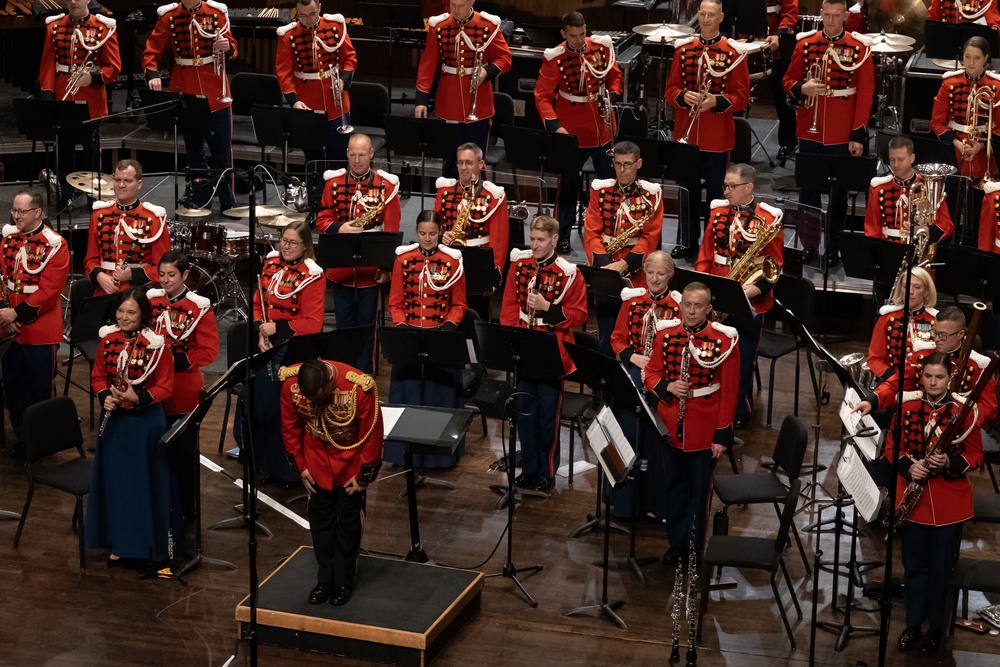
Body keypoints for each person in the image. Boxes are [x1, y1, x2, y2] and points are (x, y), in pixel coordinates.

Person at [886, 352, 982, 655]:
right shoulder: (909, 407)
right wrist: (908, 467)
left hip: (949, 504)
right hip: (913, 503)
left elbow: (975, 455)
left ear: (949, 379)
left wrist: (950, 461)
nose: (933, 382)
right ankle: (913, 625)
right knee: (914, 568)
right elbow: (892, 446)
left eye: (939, 377)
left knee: (941, 571)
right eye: (928, 377)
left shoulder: (964, 412)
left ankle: (936, 630)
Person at [643, 282, 739, 562]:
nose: (691, 311)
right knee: (673, 488)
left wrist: (722, 435)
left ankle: (694, 548)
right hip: (670, 423)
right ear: (680, 304)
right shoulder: (667, 333)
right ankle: (677, 543)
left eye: (698, 306)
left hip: (705, 426)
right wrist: (667, 387)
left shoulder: (724, 340)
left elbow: (730, 390)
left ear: (709, 309)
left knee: (699, 493)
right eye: (687, 304)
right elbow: (650, 373)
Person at [279, 358, 383, 607]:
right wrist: (300, 467)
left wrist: (363, 477)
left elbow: (371, 433)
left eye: (320, 397)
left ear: (328, 382)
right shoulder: (290, 384)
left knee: (348, 527)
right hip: (315, 464)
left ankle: (344, 581)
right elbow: (290, 426)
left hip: (349, 466)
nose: (315, 403)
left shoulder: (358, 387)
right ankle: (325, 579)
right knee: (321, 527)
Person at [87, 287, 175, 568]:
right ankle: (118, 540)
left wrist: (137, 399)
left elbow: (165, 385)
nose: (124, 317)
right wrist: (106, 397)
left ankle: (142, 543)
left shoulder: (158, 344)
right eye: (121, 311)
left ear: (143, 315)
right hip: (114, 420)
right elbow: (98, 375)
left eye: (131, 312)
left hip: (144, 422)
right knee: (116, 484)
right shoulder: (108, 339)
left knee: (139, 485)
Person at [500, 216, 588, 492]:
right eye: (532, 238)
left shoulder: (569, 273)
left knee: (548, 418)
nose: (534, 245)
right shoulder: (519, 265)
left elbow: (579, 314)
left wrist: (549, 308)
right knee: (525, 414)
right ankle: (528, 470)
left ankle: (546, 474)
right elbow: (509, 307)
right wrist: (514, 340)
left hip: (552, 351)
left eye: (540, 240)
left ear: (553, 240)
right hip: (525, 347)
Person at [783, 0, 874, 265]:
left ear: (845, 16)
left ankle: (834, 246)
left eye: (837, 16)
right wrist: (802, 88)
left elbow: (865, 94)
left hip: (842, 132)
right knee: (808, 192)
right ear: (821, 13)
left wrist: (857, 135)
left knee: (838, 195)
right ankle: (809, 245)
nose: (831, 21)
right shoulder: (806, 43)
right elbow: (787, 80)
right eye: (827, 15)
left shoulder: (859, 48)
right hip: (810, 129)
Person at [694, 163, 783, 427]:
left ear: (749, 188)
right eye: (725, 185)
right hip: (718, 292)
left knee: (742, 360)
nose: (727, 191)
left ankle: (738, 412)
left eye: (732, 187)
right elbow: (706, 253)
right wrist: (703, 288)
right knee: (711, 354)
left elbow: (775, 265)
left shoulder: (768, 219)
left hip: (748, 299)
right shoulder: (718, 212)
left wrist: (755, 290)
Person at [241, 220, 326, 483]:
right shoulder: (270, 264)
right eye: (284, 241)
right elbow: (258, 303)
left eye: (293, 243)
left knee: (280, 410)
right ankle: (255, 459)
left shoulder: (313, 275)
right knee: (255, 403)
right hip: (264, 343)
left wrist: (275, 329)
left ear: (305, 246)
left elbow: (313, 324)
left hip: (291, 349)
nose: (286, 247)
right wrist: (259, 330)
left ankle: (283, 469)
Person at [666, 0, 750, 258]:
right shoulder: (684, 49)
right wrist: (683, 96)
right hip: (686, 133)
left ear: (721, 17)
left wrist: (717, 101)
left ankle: (713, 243)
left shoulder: (733, 52)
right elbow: (670, 91)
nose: (705, 19)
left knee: (717, 194)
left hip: (717, 136)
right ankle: (687, 241)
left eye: (710, 15)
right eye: (702, 14)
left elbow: (742, 96)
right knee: (686, 191)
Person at [533, 11, 622, 253]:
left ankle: (609, 233)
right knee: (568, 185)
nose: (580, 40)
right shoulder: (555, 57)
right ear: (564, 34)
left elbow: (615, 77)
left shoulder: (601, 48)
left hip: (602, 127)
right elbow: (542, 96)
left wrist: (610, 96)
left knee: (609, 185)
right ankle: (561, 234)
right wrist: (555, 126)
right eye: (574, 36)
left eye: (583, 34)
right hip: (570, 128)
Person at [386, 210, 467, 467]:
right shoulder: (403, 260)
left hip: (440, 335)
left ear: (441, 232)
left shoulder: (452, 261)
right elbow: (396, 301)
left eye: (433, 233)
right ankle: (403, 455)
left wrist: (449, 326)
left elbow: (459, 304)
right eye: (422, 233)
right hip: (409, 334)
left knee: (438, 399)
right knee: (407, 396)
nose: (427, 238)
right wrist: (401, 325)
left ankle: (436, 460)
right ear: (416, 232)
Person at [315, 134, 401, 373]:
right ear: (346, 153)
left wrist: (386, 267)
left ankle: (364, 376)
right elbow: (322, 219)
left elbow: (392, 229)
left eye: (361, 154)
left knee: (366, 328)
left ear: (371, 154)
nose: (356, 159)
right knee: (343, 327)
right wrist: (339, 227)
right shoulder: (333, 184)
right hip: (340, 266)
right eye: (352, 154)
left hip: (370, 268)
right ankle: (342, 374)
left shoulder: (387, 187)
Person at [143, 0, 238, 212]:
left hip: (215, 89)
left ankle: (228, 202)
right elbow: (151, 51)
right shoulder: (169, 16)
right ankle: (201, 197)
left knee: (222, 151)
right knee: (194, 151)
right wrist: (152, 73)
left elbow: (233, 47)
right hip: (184, 88)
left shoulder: (216, 12)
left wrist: (228, 47)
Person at [147, 251, 219, 521]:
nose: (165, 281)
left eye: (172, 275)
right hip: (153, 387)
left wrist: (175, 361)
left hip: (183, 389)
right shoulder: (150, 300)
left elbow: (209, 352)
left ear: (185, 275)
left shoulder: (198, 306)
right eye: (162, 274)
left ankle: (186, 510)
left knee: (182, 455)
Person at [609, 250, 680, 519]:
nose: (654, 278)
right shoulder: (633, 300)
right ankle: (625, 504)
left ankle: (654, 505)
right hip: (633, 373)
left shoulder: (678, 306)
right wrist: (632, 357)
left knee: (654, 445)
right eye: (650, 273)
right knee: (626, 435)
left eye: (660, 274)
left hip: (661, 381)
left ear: (670, 276)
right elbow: (617, 338)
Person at [0, 190, 71, 452]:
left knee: (40, 391)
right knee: (14, 389)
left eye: (21, 211)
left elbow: (49, 291)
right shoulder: (8, 240)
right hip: (8, 329)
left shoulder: (55, 245)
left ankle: (44, 443)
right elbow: (2, 280)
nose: (16, 216)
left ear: (37, 212)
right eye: (14, 211)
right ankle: (22, 439)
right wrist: (4, 314)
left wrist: (16, 315)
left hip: (40, 330)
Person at [583, 140, 663, 356]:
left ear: (639, 163)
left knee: (636, 330)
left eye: (627, 164)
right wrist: (605, 265)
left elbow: (650, 236)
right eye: (617, 164)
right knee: (606, 328)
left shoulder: (651, 194)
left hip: (635, 269)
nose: (622, 169)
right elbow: (591, 231)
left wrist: (625, 263)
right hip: (605, 265)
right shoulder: (600, 191)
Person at [414, 0, 512, 177]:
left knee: (476, 159)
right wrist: (421, 100)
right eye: (453, 5)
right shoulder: (440, 26)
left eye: (461, 6)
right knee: (451, 160)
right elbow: (427, 65)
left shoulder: (488, 25)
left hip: (478, 101)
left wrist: (486, 71)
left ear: (472, 2)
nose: (456, 11)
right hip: (448, 102)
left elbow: (505, 58)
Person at [855, 306, 997, 426]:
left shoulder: (978, 365)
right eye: (934, 332)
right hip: (919, 423)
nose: (936, 339)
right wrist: (872, 401)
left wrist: (962, 419)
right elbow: (895, 385)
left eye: (943, 335)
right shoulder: (921, 355)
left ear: (960, 334)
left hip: (957, 428)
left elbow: (989, 407)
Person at [39, 0, 121, 207]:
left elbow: (113, 67)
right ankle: (66, 194)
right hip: (63, 93)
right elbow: (48, 65)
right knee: (64, 148)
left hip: (90, 97)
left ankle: (94, 195)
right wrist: (49, 97)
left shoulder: (103, 27)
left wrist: (92, 78)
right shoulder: (54, 27)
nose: (73, 2)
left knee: (91, 151)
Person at [275, 0, 357, 167]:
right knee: (313, 162)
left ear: (319, 8)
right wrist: (294, 101)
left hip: (336, 102)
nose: (309, 20)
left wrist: (343, 81)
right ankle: (315, 192)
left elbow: (349, 58)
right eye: (303, 16)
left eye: (312, 14)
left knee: (339, 160)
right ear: (296, 13)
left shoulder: (336, 26)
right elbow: (284, 72)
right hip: (307, 103)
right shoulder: (288, 35)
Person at [931, 35, 1000, 230]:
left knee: (979, 216)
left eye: (976, 58)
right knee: (949, 208)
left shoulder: (996, 86)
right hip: (956, 152)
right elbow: (937, 122)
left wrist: (980, 146)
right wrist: (958, 144)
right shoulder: (949, 83)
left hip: (984, 154)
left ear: (986, 58)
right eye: (967, 56)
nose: (970, 62)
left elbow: (999, 125)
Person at [434, 142, 509, 315]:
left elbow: (499, 238)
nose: (463, 167)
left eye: (469, 162)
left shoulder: (493, 195)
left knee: (476, 316)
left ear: (481, 164)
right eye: (460, 162)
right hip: (449, 258)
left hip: (478, 260)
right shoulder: (445, 190)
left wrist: (493, 273)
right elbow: (434, 226)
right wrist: (441, 235)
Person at [84, 159, 170, 296]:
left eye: (127, 181)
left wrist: (132, 274)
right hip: (103, 291)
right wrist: (100, 277)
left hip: (139, 293)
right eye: (117, 180)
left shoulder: (154, 218)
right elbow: (90, 259)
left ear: (139, 184)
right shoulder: (99, 214)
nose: (121, 185)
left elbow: (164, 268)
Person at [864, 135, 954, 244]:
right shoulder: (879, 188)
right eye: (892, 159)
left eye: (901, 159)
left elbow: (946, 225)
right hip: (887, 249)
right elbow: (872, 228)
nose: (896, 165)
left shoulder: (928, 185)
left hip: (918, 248)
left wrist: (927, 231)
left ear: (912, 158)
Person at [867, 267, 938, 380]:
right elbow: (874, 358)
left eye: (917, 287)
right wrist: (893, 379)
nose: (910, 292)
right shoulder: (887, 318)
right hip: (892, 380)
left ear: (926, 292)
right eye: (906, 286)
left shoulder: (937, 321)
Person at [763, 0, 799, 161]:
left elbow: (790, 13)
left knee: (782, 97)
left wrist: (778, 35)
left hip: (777, 44)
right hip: (747, 41)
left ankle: (788, 141)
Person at [928, 0, 1000, 27]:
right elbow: (932, 22)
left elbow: (994, 27)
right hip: (947, 46)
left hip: (976, 49)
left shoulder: (987, 1)